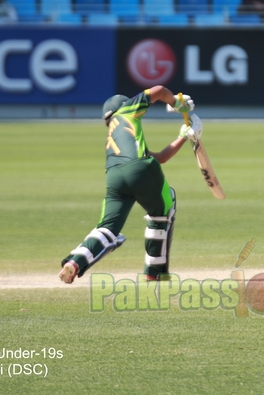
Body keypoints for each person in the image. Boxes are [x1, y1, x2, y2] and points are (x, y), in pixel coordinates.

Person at [58, 88, 200, 284]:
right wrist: (176, 103)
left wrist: (184, 136)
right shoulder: (127, 109)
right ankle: (154, 270)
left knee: (107, 228)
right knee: (164, 208)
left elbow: (161, 157)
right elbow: (158, 90)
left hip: (114, 176)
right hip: (139, 168)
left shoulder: (115, 136)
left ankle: (75, 262)